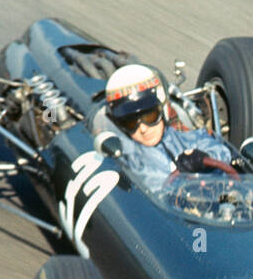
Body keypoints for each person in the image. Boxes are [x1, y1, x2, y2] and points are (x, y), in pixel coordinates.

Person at [98, 63, 233, 187]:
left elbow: (223, 152)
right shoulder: (128, 157)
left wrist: (203, 157)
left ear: (163, 110)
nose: (143, 129)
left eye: (149, 116)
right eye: (131, 122)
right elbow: (149, 184)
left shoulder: (186, 139)